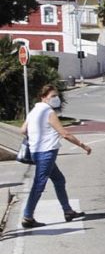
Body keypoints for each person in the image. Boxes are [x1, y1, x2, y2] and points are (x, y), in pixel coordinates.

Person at [19, 85, 92, 228]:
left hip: (36, 152)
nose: (56, 98)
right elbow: (64, 134)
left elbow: (23, 130)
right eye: (52, 96)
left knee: (59, 180)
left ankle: (68, 211)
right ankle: (28, 216)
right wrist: (83, 145)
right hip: (46, 153)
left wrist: (35, 136)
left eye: (56, 96)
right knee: (39, 185)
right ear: (43, 97)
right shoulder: (47, 111)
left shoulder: (34, 111)